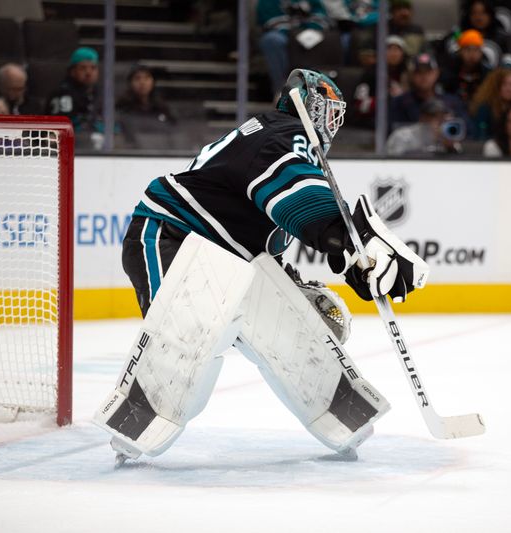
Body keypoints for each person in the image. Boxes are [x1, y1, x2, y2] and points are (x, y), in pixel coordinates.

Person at [93, 69, 429, 464]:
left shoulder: (274, 137)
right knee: (190, 334)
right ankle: (138, 419)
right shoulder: (281, 134)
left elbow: (266, 225)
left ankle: (335, 411)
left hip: (228, 260)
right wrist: (347, 239)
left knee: (306, 319)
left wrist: (323, 269)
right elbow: (295, 192)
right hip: (172, 239)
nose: (335, 124)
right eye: (331, 112)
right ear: (310, 106)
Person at [257, 0, 333, 96]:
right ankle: (281, 92)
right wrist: (294, 34)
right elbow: (268, 20)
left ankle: (316, 92)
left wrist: (311, 29)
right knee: (272, 40)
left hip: (309, 32)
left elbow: (321, 16)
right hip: (283, 34)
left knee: (329, 40)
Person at [388, 52, 472, 136]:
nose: (424, 76)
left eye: (428, 72)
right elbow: (391, 131)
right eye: (419, 72)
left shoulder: (452, 102)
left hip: (444, 147)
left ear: (436, 73)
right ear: (411, 75)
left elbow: (468, 131)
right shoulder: (400, 103)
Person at [47, 47, 105, 148]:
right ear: (73, 71)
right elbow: (59, 132)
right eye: (83, 68)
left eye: (93, 68)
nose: (88, 72)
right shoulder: (63, 94)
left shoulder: (101, 93)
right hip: (72, 149)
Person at [352, 35, 409, 128]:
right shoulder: (371, 74)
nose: (394, 53)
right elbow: (359, 106)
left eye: (397, 49)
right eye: (390, 49)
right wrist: (386, 100)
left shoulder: (408, 74)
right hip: (375, 120)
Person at [386, 98, 463, 155]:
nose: (441, 123)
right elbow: (394, 161)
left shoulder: (448, 136)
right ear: (422, 118)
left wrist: (449, 147)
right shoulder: (403, 136)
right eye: (436, 117)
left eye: (444, 119)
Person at [438, 29, 490, 104]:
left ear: (481, 52)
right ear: (460, 51)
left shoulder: (487, 72)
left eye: (476, 50)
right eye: (467, 49)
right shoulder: (450, 70)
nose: (472, 54)